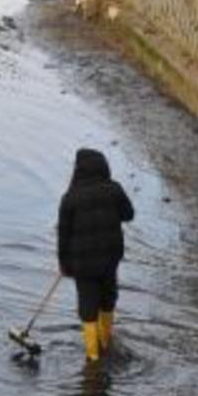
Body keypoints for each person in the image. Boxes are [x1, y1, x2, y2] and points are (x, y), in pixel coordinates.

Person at [58, 148, 134, 362]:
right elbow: (129, 215)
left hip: (82, 265)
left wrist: (64, 265)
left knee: (88, 306)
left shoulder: (69, 198)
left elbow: (63, 236)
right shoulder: (114, 189)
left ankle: (93, 358)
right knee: (108, 298)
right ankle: (105, 342)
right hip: (110, 259)